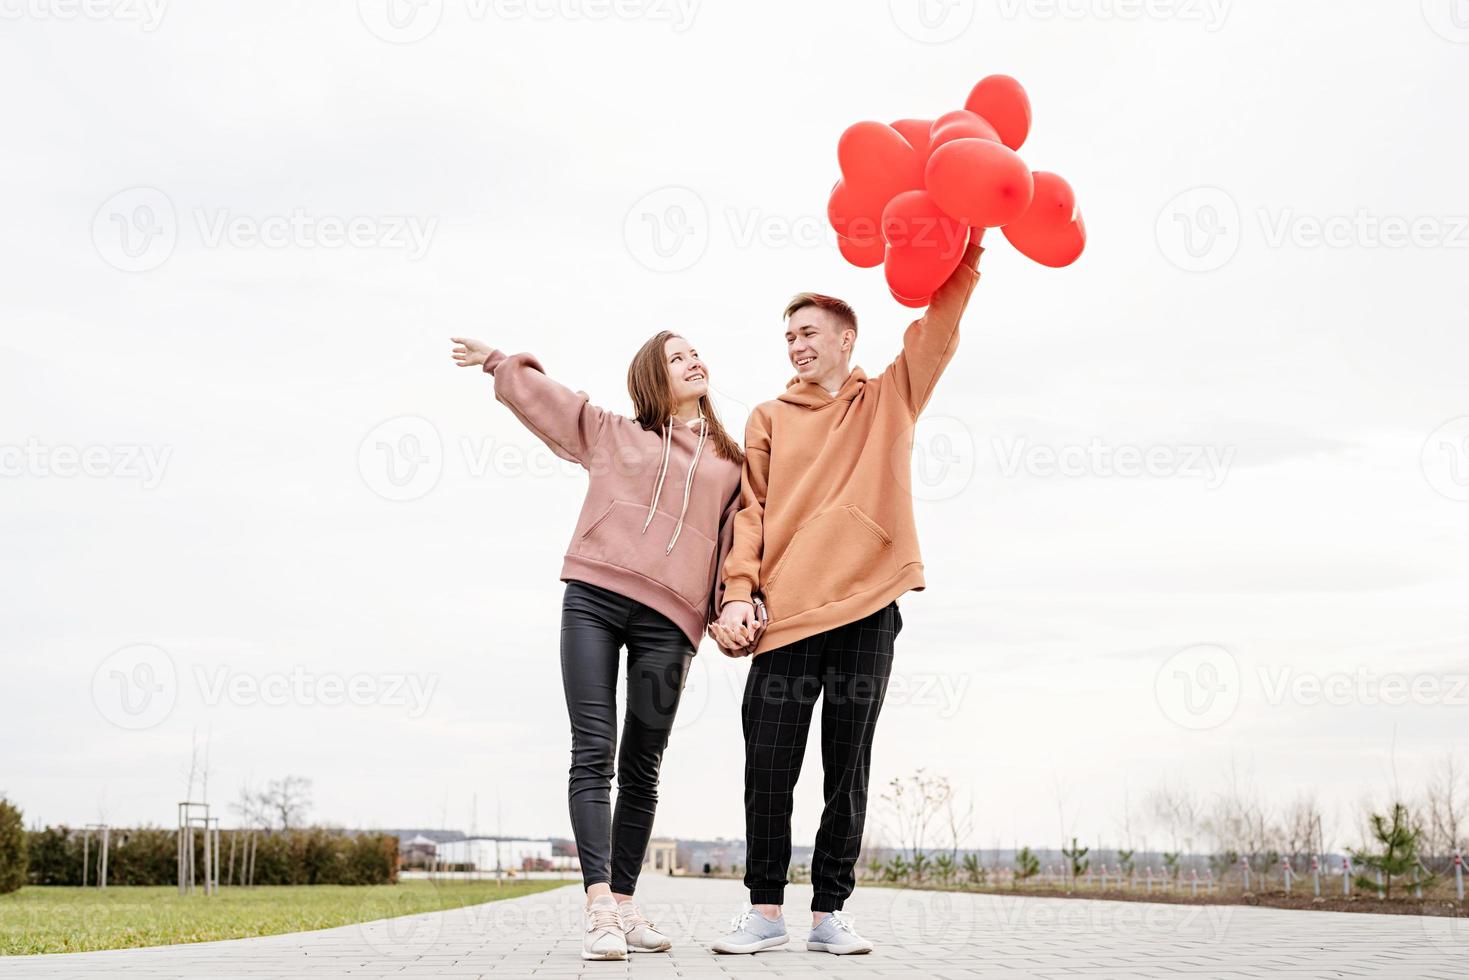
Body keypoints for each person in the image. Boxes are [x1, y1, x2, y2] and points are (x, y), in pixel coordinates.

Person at [707, 242, 984, 955]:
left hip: (867, 610)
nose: (796, 345)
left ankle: (829, 914)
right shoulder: (768, 416)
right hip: (787, 613)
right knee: (766, 767)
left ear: (844, 337)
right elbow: (751, 512)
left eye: (807, 332)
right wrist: (737, 593)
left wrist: (968, 248)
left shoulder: (889, 397)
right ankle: (764, 914)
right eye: (788, 336)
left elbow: (938, 327)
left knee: (846, 767)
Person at [452, 332, 743, 960]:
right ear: (651, 377)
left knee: (644, 764)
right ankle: (599, 907)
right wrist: (500, 363)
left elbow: (733, 550)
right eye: (676, 357)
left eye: (695, 352)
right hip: (593, 597)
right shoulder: (614, 433)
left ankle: (629, 907)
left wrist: (728, 611)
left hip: (671, 619)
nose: (694, 360)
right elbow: (553, 402)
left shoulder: (732, 465)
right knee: (593, 750)